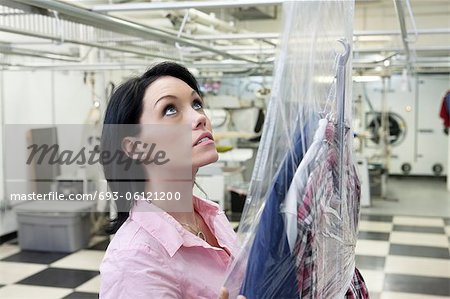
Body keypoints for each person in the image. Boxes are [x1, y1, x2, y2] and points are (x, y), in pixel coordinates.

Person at [99, 61, 244, 299]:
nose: (199, 117)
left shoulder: (212, 216)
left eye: (197, 103)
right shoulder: (135, 258)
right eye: (170, 109)